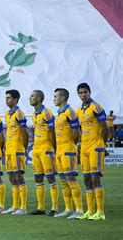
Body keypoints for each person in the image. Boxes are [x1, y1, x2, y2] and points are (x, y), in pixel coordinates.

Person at [76, 83, 107, 220]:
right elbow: (81, 130)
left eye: (85, 92)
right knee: (86, 179)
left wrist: (103, 145)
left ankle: (100, 212)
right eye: (80, 93)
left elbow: (104, 128)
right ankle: (89, 211)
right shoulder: (79, 110)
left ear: (90, 92)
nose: (83, 95)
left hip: (96, 146)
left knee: (95, 178)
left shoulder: (96, 107)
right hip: (84, 148)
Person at [53, 88, 84, 219]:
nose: (53, 99)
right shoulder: (59, 113)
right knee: (64, 182)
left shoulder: (70, 112)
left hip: (68, 151)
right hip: (59, 151)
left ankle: (79, 210)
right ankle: (68, 209)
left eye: (55, 97)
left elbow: (76, 133)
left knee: (71, 180)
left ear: (63, 98)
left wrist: (71, 146)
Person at [29, 90, 58, 216]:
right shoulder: (34, 114)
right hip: (36, 149)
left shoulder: (47, 113)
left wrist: (53, 147)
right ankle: (40, 208)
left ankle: (54, 208)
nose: (30, 98)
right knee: (38, 178)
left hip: (46, 149)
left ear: (39, 98)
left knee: (50, 178)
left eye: (32, 96)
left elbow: (53, 132)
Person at [2, 90, 28, 215]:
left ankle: (22, 208)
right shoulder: (7, 114)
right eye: (6, 98)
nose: (7, 100)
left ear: (16, 99)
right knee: (12, 177)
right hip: (9, 149)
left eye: (9, 98)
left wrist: (24, 148)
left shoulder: (19, 113)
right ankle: (14, 206)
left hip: (17, 149)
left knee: (19, 176)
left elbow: (24, 132)